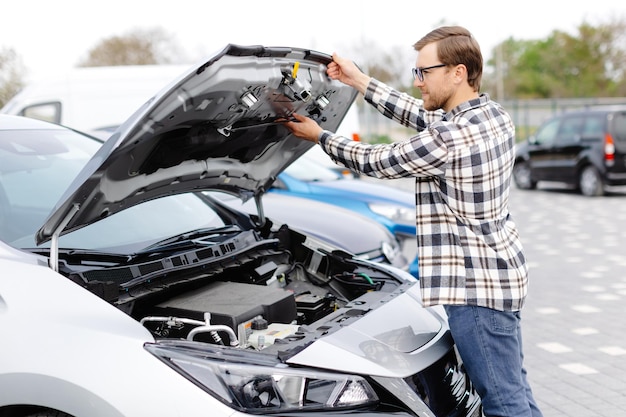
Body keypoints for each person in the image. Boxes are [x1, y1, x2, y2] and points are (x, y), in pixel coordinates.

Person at [284, 26, 544, 417]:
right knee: (515, 389)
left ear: (457, 72)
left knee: (504, 402)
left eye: (424, 72)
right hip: (499, 277)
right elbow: (415, 112)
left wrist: (320, 136)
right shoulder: (490, 115)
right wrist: (357, 79)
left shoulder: (452, 137)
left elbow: (376, 160)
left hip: (474, 291)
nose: (418, 81)